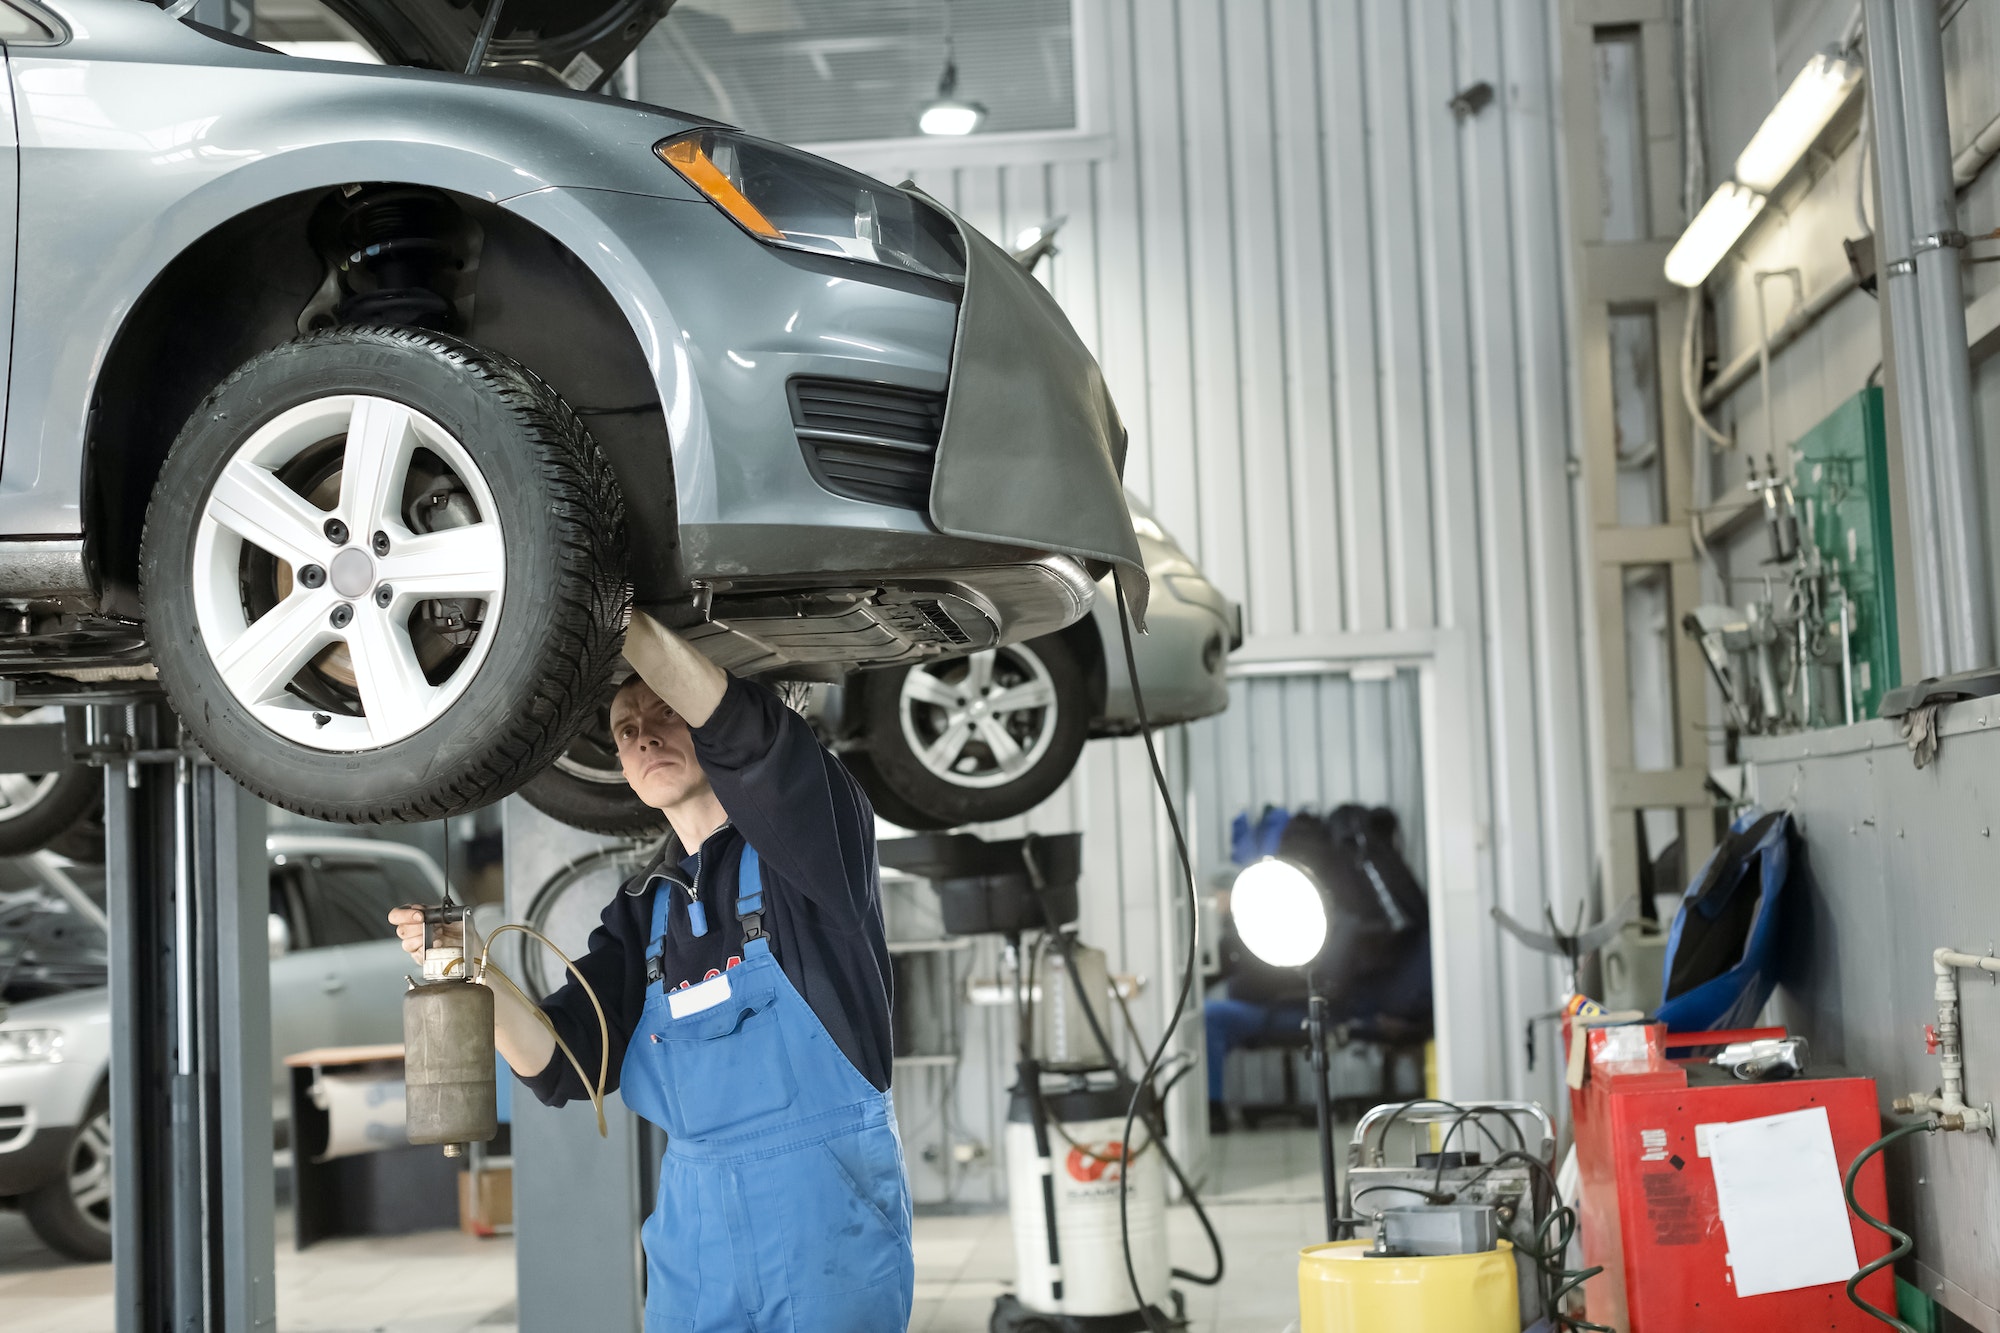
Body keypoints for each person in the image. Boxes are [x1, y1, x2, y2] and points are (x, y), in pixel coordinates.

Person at [390, 611, 913, 1333]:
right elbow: (565, 1062)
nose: (641, 733)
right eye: (625, 726)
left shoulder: (813, 845)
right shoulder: (642, 910)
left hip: (823, 1220)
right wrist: (469, 968)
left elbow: (753, 738)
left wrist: (610, 606)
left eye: (664, 709)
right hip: (694, 1242)